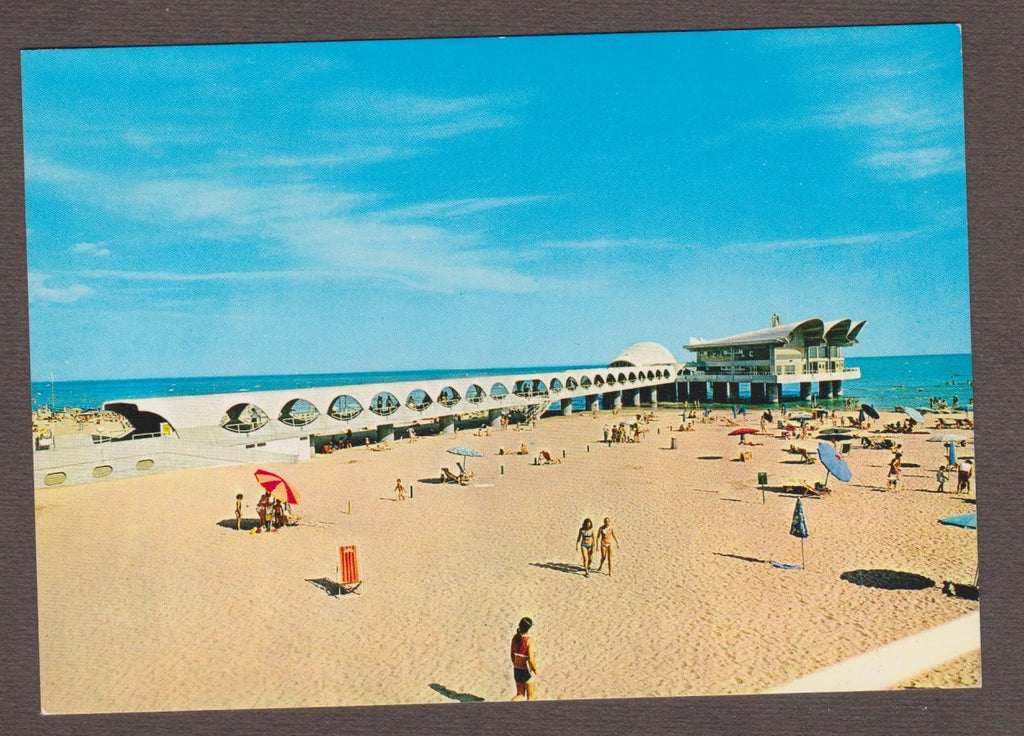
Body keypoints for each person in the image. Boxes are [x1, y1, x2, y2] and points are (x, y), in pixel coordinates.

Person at [510, 617, 538, 700]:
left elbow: (512, 655)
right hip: (526, 670)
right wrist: (536, 670)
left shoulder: (515, 638)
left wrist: (515, 663)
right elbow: (531, 660)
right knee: (531, 698)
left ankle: (511, 704)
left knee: (520, 694)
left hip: (516, 669)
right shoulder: (529, 641)